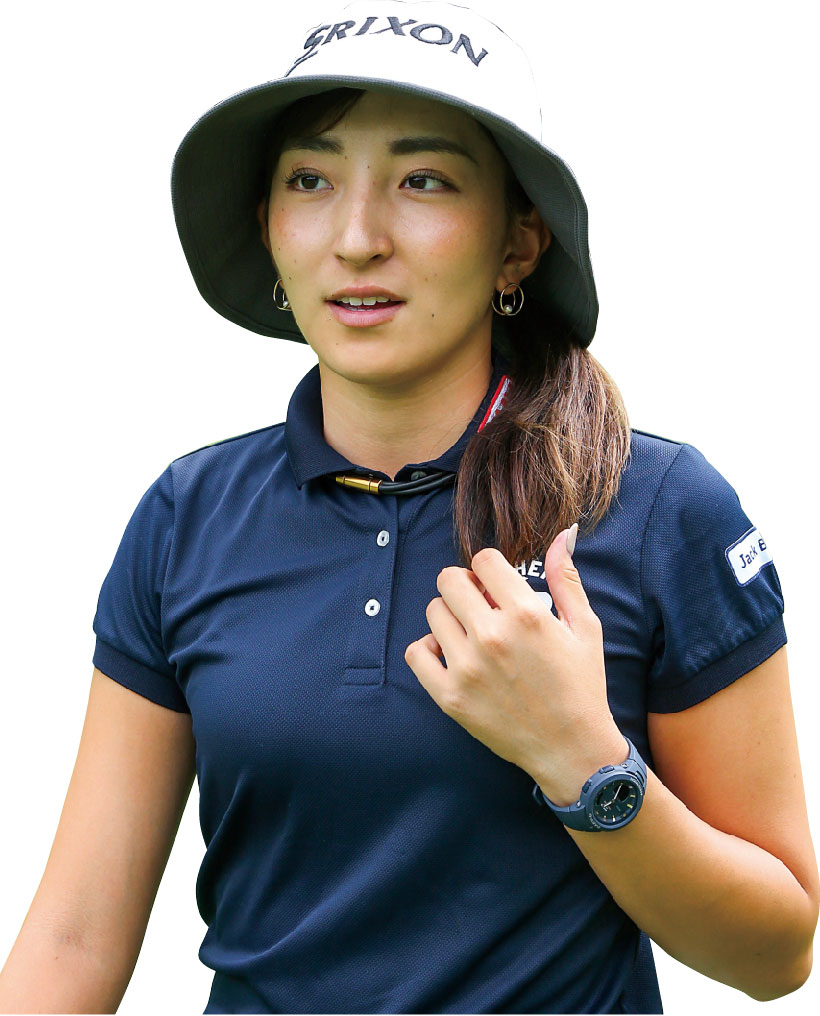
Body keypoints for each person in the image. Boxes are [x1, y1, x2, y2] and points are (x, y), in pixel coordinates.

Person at [0, 1, 817, 1013]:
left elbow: (775, 951)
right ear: (267, 225)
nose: (356, 238)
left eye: (423, 179)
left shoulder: (658, 511)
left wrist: (581, 759)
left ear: (519, 242)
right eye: (310, 180)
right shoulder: (186, 517)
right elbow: (74, 939)